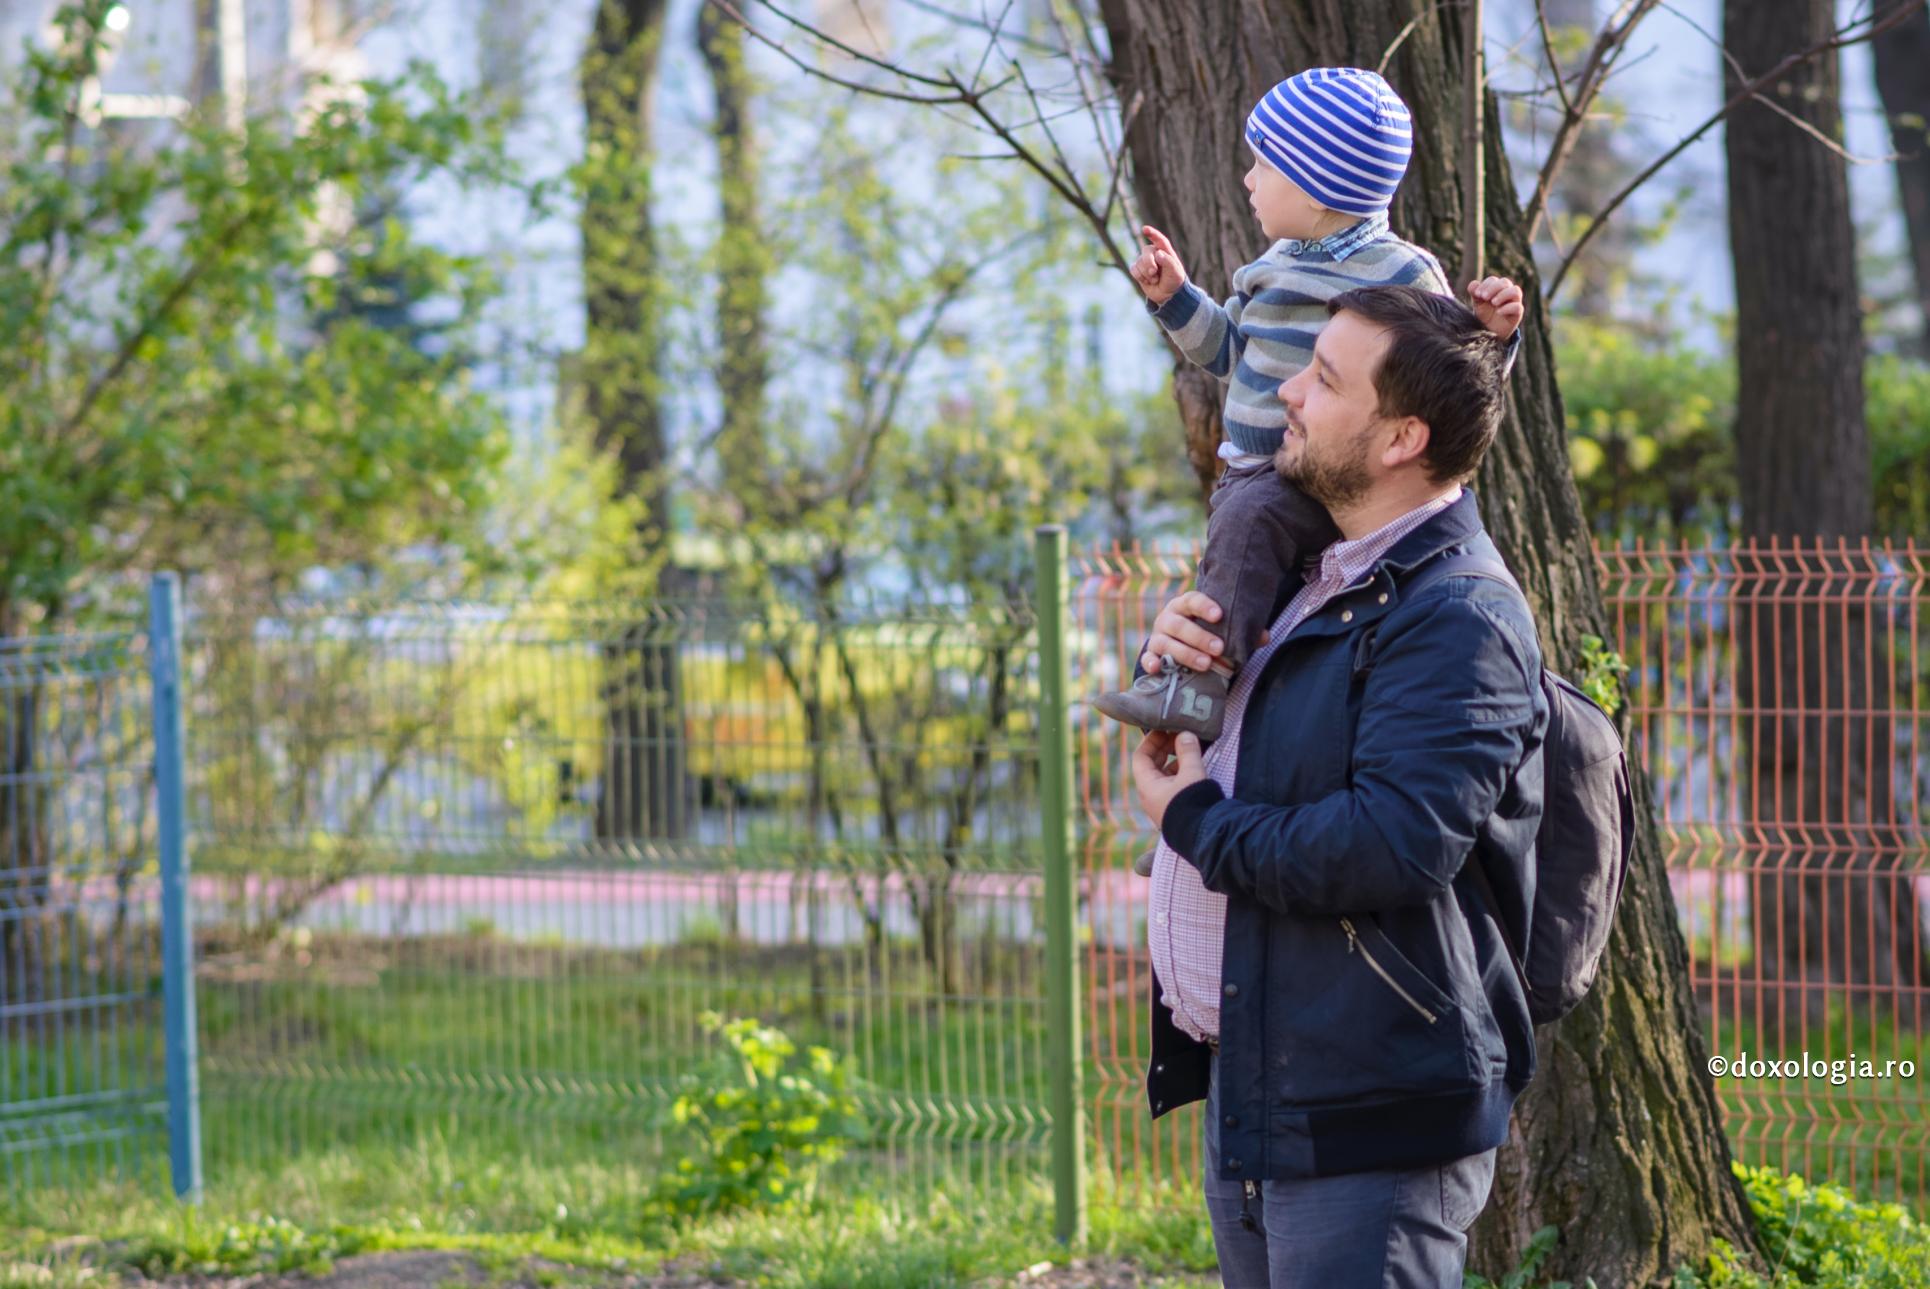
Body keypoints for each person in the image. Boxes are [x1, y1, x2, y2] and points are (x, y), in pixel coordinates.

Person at [1129, 284, 1548, 1288]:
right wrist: (1170, 678)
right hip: (1264, 1081)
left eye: (1323, 377)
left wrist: (1193, 818)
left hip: (1369, 1113)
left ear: (1402, 437)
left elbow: (1389, 845)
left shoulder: (1459, 619)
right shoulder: (1320, 575)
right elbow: (1259, 764)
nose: (1287, 393)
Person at [1091, 66, 1524, 772]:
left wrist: (1493, 336)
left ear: (1317, 183)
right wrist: (1175, 299)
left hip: (1298, 485)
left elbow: (1454, 380)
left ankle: (1189, 696)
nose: (1248, 179)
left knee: (1235, 583)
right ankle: (1202, 784)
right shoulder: (1272, 265)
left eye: (1265, 163)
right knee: (1265, 637)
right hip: (1246, 474)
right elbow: (1229, 352)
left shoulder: (1402, 274)